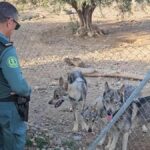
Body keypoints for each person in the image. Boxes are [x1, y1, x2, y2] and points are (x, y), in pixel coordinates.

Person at [0, 1, 31, 150]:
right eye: (16, 26)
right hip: (6, 107)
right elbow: (19, 87)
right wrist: (27, 90)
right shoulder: (5, 49)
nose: (14, 30)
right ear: (10, 22)